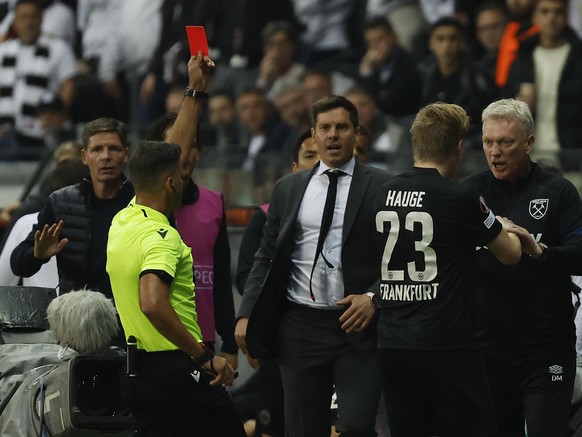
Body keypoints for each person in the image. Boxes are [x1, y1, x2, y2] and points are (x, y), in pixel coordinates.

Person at [236, 95, 391, 436]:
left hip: (357, 328)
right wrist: (247, 312)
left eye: (341, 127)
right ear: (314, 134)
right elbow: (265, 256)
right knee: (304, 429)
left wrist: (373, 297)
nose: (333, 135)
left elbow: (399, 257)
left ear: (356, 133)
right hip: (301, 326)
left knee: (356, 426)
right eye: (325, 128)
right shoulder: (288, 188)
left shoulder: (382, 186)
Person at [372, 102, 523, 437]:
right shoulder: (461, 197)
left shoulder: (381, 195)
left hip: (392, 343)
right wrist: (498, 223)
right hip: (446, 343)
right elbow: (511, 254)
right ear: (457, 147)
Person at [11, 54, 209, 300]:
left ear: (126, 154)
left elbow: (174, 156)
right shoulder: (61, 203)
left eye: (113, 149)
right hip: (77, 327)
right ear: (84, 156)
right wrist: (37, 255)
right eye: (97, 150)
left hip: (129, 325)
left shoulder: (143, 200)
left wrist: (194, 91)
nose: (106, 156)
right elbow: (18, 264)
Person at [106, 140, 244, 436]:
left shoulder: (120, 222)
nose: (184, 183)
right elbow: (152, 303)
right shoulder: (163, 237)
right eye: (180, 177)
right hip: (176, 369)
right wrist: (205, 356)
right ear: (171, 183)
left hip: (135, 372)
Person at [462, 98, 582, 437]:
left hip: (546, 351)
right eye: (488, 142)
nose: (495, 152)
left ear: (528, 143)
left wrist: (539, 250)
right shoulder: (469, 193)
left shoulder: (558, 192)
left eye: (506, 142)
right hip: (487, 350)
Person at [235, 129, 319, 437]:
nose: (317, 162)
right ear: (294, 168)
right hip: (279, 337)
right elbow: (246, 273)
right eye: (309, 156)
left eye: (322, 156)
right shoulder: (267, 215)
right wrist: (266, 308)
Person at [146, 112, 238, 371]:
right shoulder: (139, 206)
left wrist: (229, 342)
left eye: (193, 145)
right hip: (153, 339)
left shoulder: (214, 203)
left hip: (203, 340)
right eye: (178, 145)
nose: (186, 153)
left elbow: (220, 278)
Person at [504, 0, 582, 168]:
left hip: (572, 153)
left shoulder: (578, 58)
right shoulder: (521, 58)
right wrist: (518, 102)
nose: (551, 17)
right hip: (529, 152)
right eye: (545, 12)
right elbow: (502, 101)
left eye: (557, 12)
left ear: (566, 17)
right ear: (534, 17)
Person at [0, 0, 76, 159]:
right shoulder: (4, 50)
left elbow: (68, 85)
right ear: (15, 22)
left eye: (33, 17)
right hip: (5, 135)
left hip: (40, 136)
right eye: (24, 17)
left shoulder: (57, 48)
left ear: (41, 19)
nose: (29, 22)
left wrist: (57, 118)